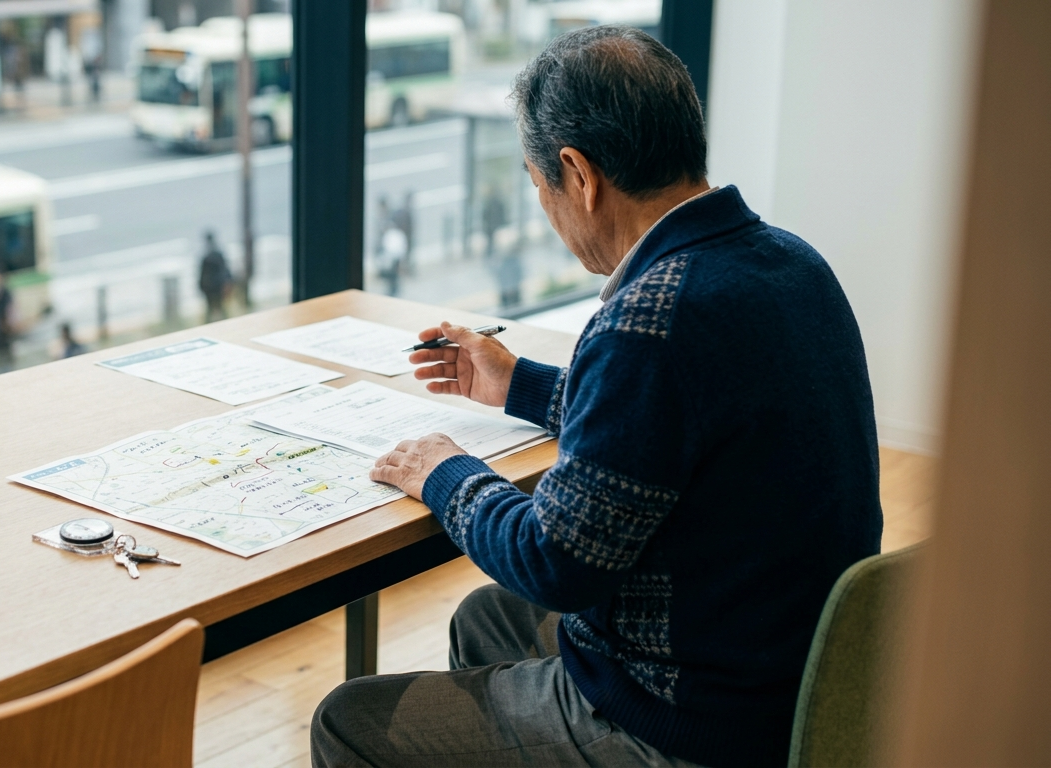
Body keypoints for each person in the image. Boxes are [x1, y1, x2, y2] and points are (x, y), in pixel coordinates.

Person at [311, 25, 881, 768]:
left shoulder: (650, 318)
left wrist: (443, 470)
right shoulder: (789, 264)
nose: (544, 204)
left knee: (349, 720)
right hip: (793, 663)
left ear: (578, 174)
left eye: (538, 179)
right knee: (488, 620)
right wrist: (520, 384)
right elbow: (668, 427)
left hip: (692, 719)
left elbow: (555, 561)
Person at [198, 231, 233, 323]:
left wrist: (201, 287)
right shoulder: (218, 254)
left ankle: (209, 327)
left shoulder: (206, 257)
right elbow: (226, 270)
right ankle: (226, 324)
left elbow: (202, 275)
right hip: (217, 287)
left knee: (211, 311)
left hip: (211, 288)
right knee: (220, 309)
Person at [377, 225, 407, 297]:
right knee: (392, 277)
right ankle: (393, 290)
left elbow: (387, 246)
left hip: (394, 257)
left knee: (394, 276)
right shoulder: (396, 233)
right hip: (394, 257)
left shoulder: (391, 234)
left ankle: (394, 290)